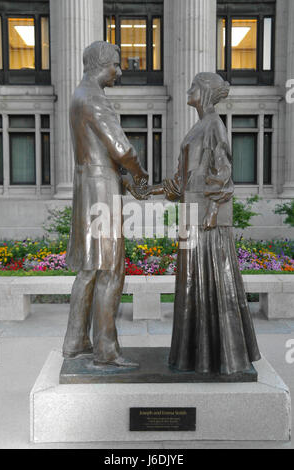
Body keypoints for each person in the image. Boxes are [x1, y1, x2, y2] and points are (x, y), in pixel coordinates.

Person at [144, 73, 261, 376]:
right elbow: (180, 183)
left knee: (211, 283)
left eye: (194, 86)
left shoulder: (214, 127)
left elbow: (223, 173)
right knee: (191, 284)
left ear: (206, 92)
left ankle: (221, 359)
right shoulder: (199, 127)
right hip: (190, 215)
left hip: (205, 221)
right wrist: (147, 189)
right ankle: (195, 357)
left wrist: (211, 213)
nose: (188, 90)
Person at [62, 41, 148, 367]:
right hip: (102, 193)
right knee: (110, 270)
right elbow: (123, 149)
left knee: (89, 269)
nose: (120, 72)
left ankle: (75, 341)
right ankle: (106, 351)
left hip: (87, 187)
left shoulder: (77, 96)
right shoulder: (95, 99)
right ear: (102, 64)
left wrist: (123, 176)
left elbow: (97, 151)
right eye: (116, 65)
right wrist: (139, 174)